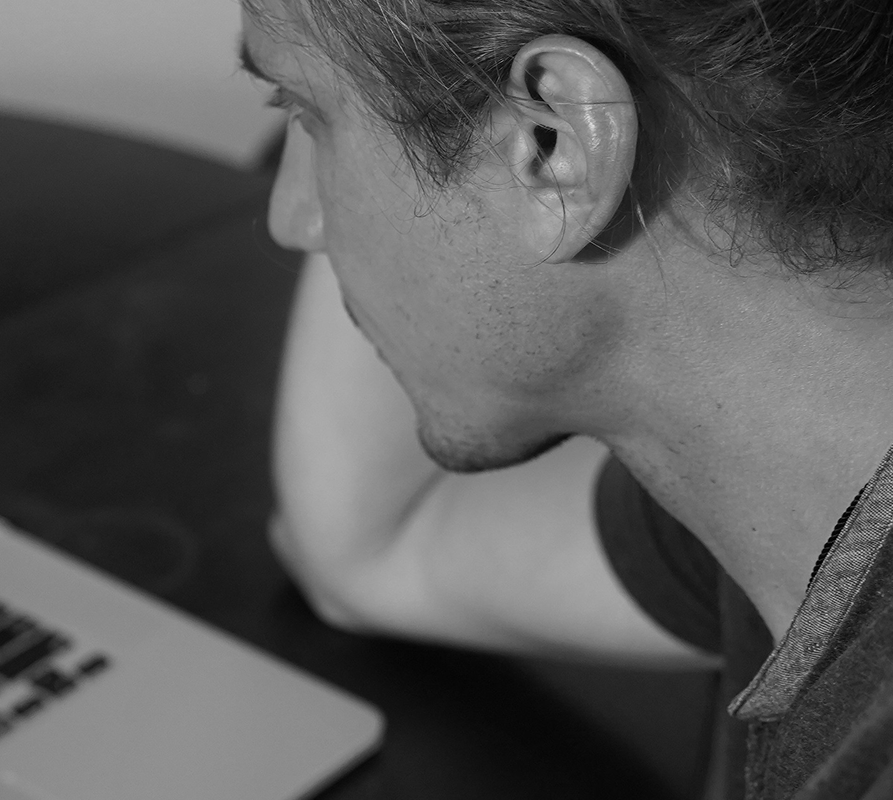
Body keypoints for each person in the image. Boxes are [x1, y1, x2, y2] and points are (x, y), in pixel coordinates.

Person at [239, 0, 893, 798]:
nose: (294, 219)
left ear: (554, 145)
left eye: (308, 117)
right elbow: (375, 549)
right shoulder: (787, 495)